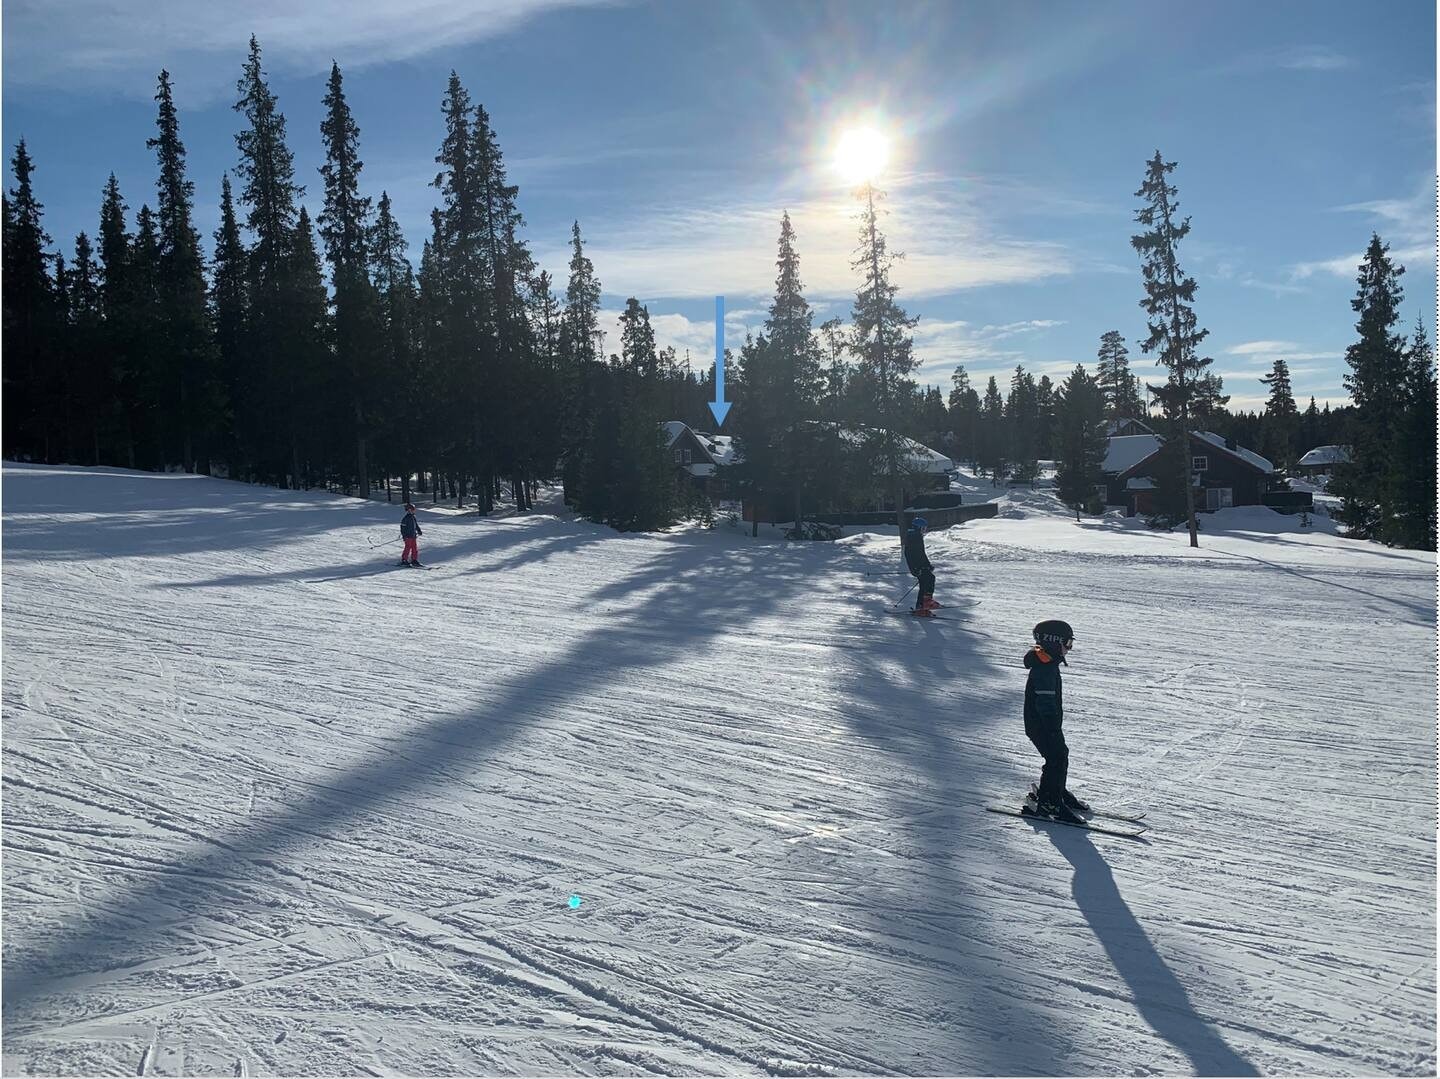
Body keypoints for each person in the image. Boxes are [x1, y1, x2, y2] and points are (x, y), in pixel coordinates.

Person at [1021, 619, 1090, 824]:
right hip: (1042, 725)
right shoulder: (1044, 668)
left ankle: (1056, 792)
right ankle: (1050, 802)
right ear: (1053, 642)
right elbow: (1045, 702)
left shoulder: (1047, 662)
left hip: (1044, 724)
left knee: (1059, 756)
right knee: (1056, 758)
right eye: (1067, 643)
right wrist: (1052, 728)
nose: (1069, 648)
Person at [902, 516, 938, 614]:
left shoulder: (915, 536)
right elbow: (911, 555)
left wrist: (928, 565)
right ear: (918, 528)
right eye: (923, 528)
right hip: (918, 567)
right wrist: (916, 568)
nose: (924, 531)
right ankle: (926, 602)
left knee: (924, 583)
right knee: (930, 579)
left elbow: (921, 554)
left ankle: (921, 606)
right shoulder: (914, 537)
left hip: (920, 566)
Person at [399, 502, 423, 567]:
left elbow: (416, 525)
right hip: (408, 536)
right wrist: (404, 535)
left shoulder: (413, 517)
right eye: (413, 509)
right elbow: (402, 528)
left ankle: (414, 560)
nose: (414, 511)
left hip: (413, 535)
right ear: (409, 510)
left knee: (414, 548)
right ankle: (404, 560)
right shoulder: (405, 518)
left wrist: (419, 530)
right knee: (408, 547)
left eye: (414, 509)